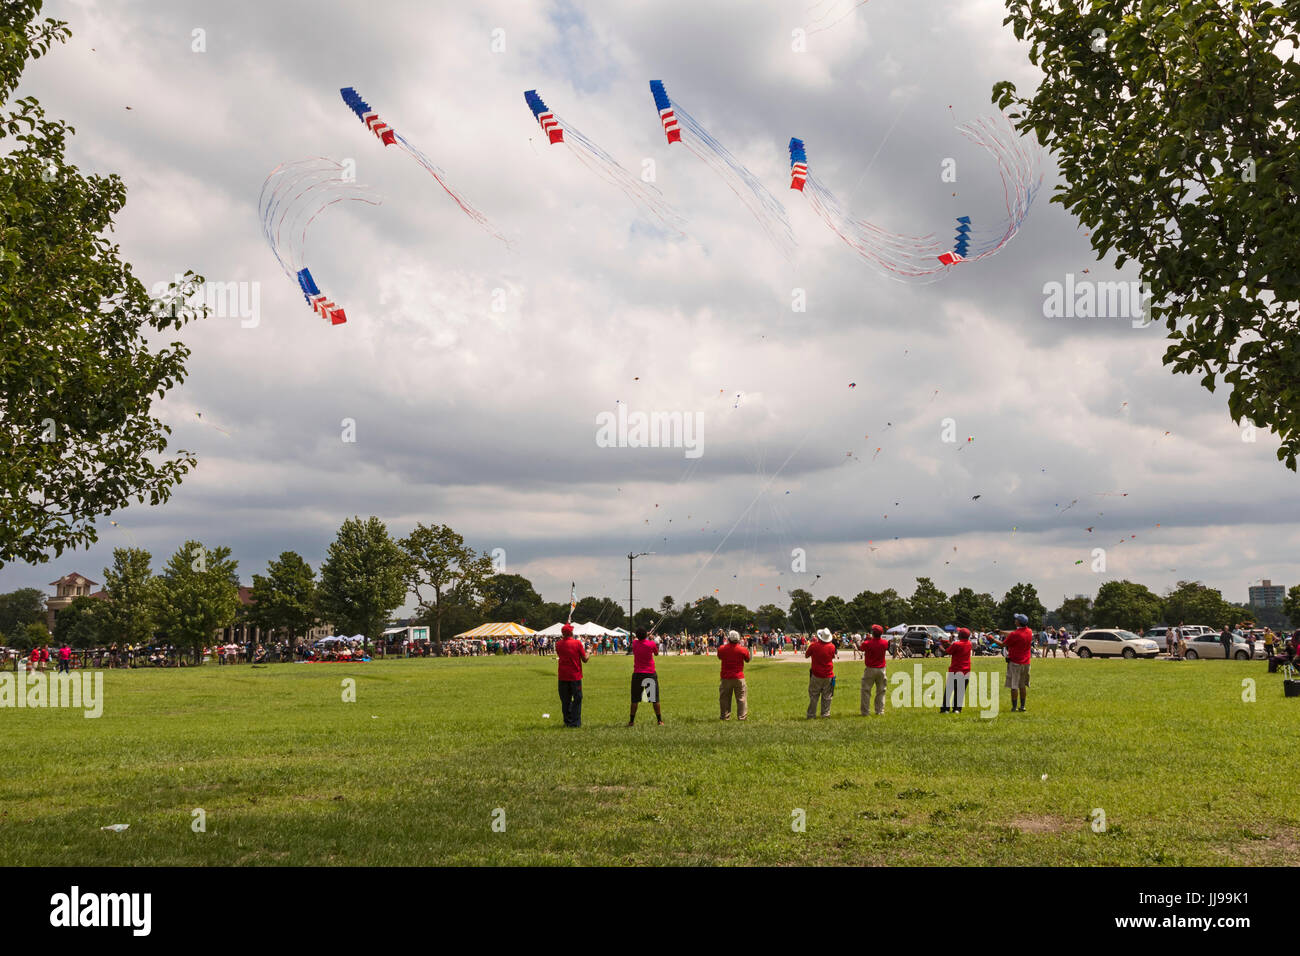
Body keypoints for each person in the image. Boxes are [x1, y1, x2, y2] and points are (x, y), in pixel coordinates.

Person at [556, 623, 590, 728]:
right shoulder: (577, 643)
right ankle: (575, 722)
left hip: (562, 676)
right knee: (577, 698)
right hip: (575, 676)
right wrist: (589, 651)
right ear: (571, 632)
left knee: (565, 700)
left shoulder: (558, 644)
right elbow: (585, 660)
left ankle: (567, 721)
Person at [999, 614, 1035, 712]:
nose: (1015, 620)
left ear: (1019, 622)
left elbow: (1003, 644)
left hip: (1015, 663)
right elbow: (1014, 633)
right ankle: (1022, 706)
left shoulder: (1015, 635)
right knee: (1022, 685)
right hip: (1026, 663)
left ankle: (1014, 707)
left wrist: (991, 638)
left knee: (1014, 686)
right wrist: (1001, 632)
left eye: (1016, 619)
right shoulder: (1029, 631)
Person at [628, 628, 663, 726]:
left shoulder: (634, 643)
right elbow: (656, 653)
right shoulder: (651, 643)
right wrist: (650, 638)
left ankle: (631, 721)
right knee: (654, 699)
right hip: (649, 674)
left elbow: (636, 639)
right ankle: (659, 720)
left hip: (637, 674)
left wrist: (645, 635)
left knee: (635, 699)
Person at [717, 629, 751, 720]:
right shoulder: (742, 650)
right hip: (739, 677)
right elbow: (748, 659)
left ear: (729, 638)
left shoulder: (722, 649)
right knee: (741, 698)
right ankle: (742, 717)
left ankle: (724, 716)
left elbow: (719, 657)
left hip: (725, 677)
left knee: (724, 698)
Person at [805, 628, 837, 718]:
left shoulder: (813, 646)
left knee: (814, 695)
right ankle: (825, 714)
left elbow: (806, 655)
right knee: (827, 696)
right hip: (828, 674)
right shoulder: (832, 646)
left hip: (816, 674)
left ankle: (811, 714)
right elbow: (832, 656)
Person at [941, 627, 973, 713]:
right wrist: (949, 643)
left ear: (960, 635)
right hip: (966, 671)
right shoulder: (969, 643)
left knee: (949, 690)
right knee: (960, 691)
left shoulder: (956, 644)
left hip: (955, 670)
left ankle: (945, 709)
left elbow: (947, 652)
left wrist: (941, 647)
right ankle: (957, 709)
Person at [859, 624, 889, 716]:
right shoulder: (885, 643)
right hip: (881, 669)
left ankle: (865, 712)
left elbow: (861, 648)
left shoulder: (867, 643)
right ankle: (880, 711)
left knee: (866, 691)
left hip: (870, 669)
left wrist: (867, 640)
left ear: (873, 633)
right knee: (881, 691)